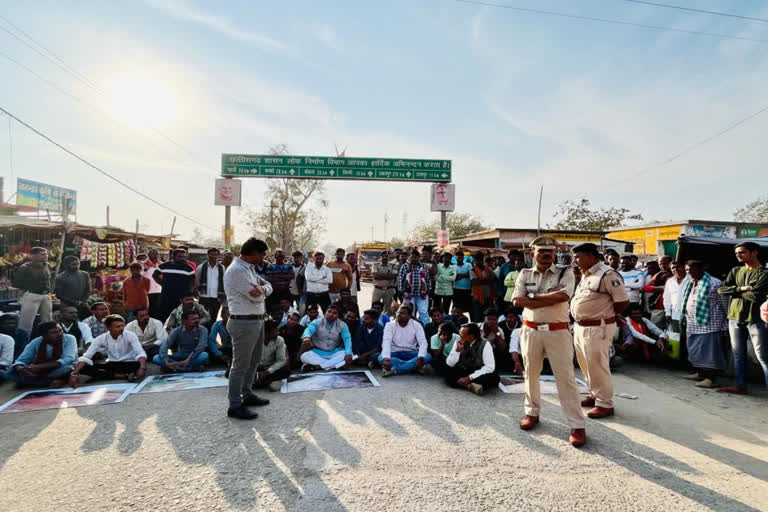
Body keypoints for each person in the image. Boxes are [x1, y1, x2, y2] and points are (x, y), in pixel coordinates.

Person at [512, 235, 586, 448]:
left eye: (550, 251)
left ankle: (577, 425)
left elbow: (564, 296)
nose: (546, 254)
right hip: (531, 331)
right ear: (533, 253)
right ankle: (531, 413)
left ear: (555, 253)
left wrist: (533, 297)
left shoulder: (566, 272)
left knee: (566, 379)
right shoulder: (524, 274)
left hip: (557, 331)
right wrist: (545, 297)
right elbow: (518, 300)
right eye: (541, 251)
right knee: (531, 374)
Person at [571, 243, 629, 420]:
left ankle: (605, 403)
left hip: (598, 327)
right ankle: (593, 394)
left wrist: (607, 314)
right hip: (582, 326)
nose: (575, 260)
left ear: (590, 256)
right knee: (586, 364)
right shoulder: (587, 274)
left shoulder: (607, 274)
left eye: (578, 256)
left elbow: (622, 301)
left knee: (598, 365)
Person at [223, 237, 273, 420]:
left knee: (254, 361)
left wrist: (264, 290)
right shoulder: (236, 271)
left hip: (256, 321)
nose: (264, 258)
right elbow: (255, 297)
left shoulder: (249, 268)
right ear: (253, 253)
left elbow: (267, 287)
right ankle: (235, 405)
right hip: (243, 322)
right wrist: (263, 291)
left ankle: (247, 394)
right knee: (240, 365)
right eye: (262, 254)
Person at [717, 242, 768, 394]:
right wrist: (741, 289)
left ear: (754, 252)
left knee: (763, 356)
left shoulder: (764, 273)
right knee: (738, 354)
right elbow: (721, 289)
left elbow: (755, 295)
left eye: (742, 252)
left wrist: (734, 291)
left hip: (755, 318)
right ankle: (740, 386)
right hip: (734, 316)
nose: (738, 255)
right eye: (737, 253)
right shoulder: (736, 270)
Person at [680, 260, 728, 388]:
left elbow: (725, 304)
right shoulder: (691, 282)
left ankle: (711, 379)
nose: (689, 272)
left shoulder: (715, 283)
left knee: (709, 353)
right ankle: (700, 373)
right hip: (693, 324)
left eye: (691, 269)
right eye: (687, 270)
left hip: (710, 325)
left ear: (701, 269)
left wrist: (727, 322)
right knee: (696, 350)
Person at [69, 315, 147, 386]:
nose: (121, 328)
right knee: (83, 368)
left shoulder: (130, 335)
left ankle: (107, 375)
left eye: (123, 325)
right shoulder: (101, 338)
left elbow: (140, 352)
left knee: (138, 364)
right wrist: (74, 374)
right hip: (112, 364)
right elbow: (87, 356)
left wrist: (142, 368)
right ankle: (121, 376)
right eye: (117, 326)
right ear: (108, 328)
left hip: (129, 363)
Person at [2, 322, 76, 387]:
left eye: (60, 330)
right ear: (44, 335)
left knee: (67, 369)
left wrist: (39, 367)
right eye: (54, 332)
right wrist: (22, 369)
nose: (60, 334)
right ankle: (46, 381)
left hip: (60, 368)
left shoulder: (69, 338)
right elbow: (21, 360)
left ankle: (40, 382)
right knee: (7, 374)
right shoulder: (36, 342)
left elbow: (68, 359)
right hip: (41, 371)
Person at [444, 323, 500, 395]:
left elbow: (489, 367)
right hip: (463, 369)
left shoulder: (485, 344)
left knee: (494, 378)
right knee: (447, 371)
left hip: (478, 371)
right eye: (459, 333)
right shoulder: (458, 341)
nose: (460, 335)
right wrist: (457, 351)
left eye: (462, 334)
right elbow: (450, 363)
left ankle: (466, 383)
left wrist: (469, 378)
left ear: (472, 336)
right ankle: (470, 386)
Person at [379, 304, 431, 377]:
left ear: (409, 316)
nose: (398, 315)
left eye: (402, 313)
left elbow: (423, 343)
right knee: (381, 357)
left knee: (427, 356)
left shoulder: (416, 325)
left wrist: (420, 358)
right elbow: (386, 342)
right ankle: (413, 367)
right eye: (398, 313)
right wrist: (387, 359)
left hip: (411, 352)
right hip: (394, 352)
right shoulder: (389, 325)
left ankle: (394, 370)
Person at [300, 304, 353, 371]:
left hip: (334, 353)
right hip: (317, 353)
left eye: (334, 313)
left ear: (338, 316)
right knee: (304, 356)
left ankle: (318, 367)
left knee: (349, 353)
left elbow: (347, 339)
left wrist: (348, 353)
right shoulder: (317, 322)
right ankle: (333, 365)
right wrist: (307, 337)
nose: (331, 314)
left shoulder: (343, 325)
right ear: (325, 312)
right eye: (329, 311)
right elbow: (309, 330)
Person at [13, 247, 53, 334]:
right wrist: (29, 288)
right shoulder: (25, 267)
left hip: (46, 296)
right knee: (26, 323)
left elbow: (49, 281)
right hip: (32, 295)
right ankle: (22, 344)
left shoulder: (47, 265)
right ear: (33, 256)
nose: (46, 256)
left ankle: (48, 340)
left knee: (48, 321)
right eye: (42, 254)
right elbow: (17, 283)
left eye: (46, 254)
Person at [152, 247, 196, 323]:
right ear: (173, 256)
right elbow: (155, 275)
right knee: (161, 317)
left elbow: (192, 281)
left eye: (184, 257)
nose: (182, 258)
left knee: (180, 318)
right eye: (180, 256)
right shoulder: (164, 265)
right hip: (166, 297)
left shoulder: (189, 268)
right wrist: (163, 284)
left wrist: (189, 291)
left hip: (181, 298)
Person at [252, 320, 290, 392]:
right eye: (275, 331)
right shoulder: (254, 340)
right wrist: (255, 373)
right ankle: (265, 381)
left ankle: (260, 381)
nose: (278, 333)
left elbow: (281, 360)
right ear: (266, 333)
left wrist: (267, 372)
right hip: (256, 368)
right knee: (231, 372)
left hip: (271, 368)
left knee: (286, 371)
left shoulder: (280, 340)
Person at [398, 250, 430, 325]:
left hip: (422, 294)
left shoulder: (424, 266)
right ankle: (410, 328)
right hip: (408, 294)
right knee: (409, 312)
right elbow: (400, 280)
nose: (413, 259)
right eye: (411, 257)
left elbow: (427, 279)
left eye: (415, 257)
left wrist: (429, 288)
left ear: (419, 258)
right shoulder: (405, 266)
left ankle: (426, 328)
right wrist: (401, 291)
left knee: (423, 312)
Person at [197, 247, 226, 324]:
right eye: (212, 254)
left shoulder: (221, 268)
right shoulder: (201, 267)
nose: (213, 256)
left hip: (216, 297)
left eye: (215, 255)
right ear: (208, 255)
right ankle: (203, 334)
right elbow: (197, 281)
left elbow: (223, 281)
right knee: (202, 318)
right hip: (204, 296)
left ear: (218, 256)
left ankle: (210, 335)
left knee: (213, 317)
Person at [663, 260, 689, 335]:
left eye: (678, 267)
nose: (676, 269)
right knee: (676, 338)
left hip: (689, 316)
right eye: (673, 268)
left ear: (684, 267)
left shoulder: (691, 279)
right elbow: (667, 298)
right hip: (675, 315)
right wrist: (667, 313)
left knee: (688, 339)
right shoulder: (670, 282)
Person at [470, 253, 496, 322]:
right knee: (478, 316)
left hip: (488, 297)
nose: (479, 262)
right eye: (477, 260)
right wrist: (487, 280)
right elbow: (475, 282)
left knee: (487, 315)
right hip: (477, 297)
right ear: (475, 261)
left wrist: (481, 280)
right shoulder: (472, 270)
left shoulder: (488, 269)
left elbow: (493, 279)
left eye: (480, 260)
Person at [372, 251, 399, 315]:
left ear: (389, 257)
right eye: (383, 256)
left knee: (387, 308)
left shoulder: (393, 265)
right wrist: (387, 275)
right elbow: (375, 276)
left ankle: (385, 322)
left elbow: (393, 276)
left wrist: (381, 275)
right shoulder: (375, 265)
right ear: (380, 257)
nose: (385, 257)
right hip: (377, 289)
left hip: (389, 289)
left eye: (386, 256)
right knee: (374, 306)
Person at [499, 309, 523, 375]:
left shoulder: (521, 325)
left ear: (516, 317)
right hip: (506, 348)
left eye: (511, 317)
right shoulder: (500, 325)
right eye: (507, 317)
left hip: (518, 349)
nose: (509, 319)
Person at [142, 249, 163, 320]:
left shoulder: (161, 264)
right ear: (148, 255)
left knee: (157, 309)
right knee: (149, 309)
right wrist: (145, 270)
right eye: (153, 254)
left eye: (156, 254)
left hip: (159, 290)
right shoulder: (144, 264)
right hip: (148, 291)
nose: (155, 255)